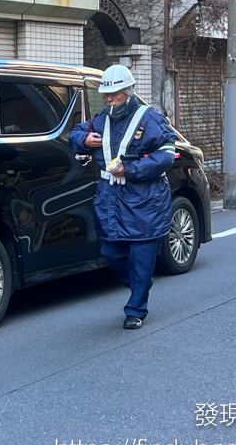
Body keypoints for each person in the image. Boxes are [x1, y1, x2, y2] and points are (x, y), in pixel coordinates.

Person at [69, 65, 177, 329]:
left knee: (141, 255)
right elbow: (74, 133)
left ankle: (136, 309)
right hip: (111, 198)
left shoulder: (149, 118)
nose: (109, 99)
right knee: (111, 251)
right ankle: (140, 283)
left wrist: (131, 169)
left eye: (114, 94)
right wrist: (85, 140)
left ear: (128, 92)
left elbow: (166, 154)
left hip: (145, 198)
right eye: (106, 95)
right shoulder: (100, 120)